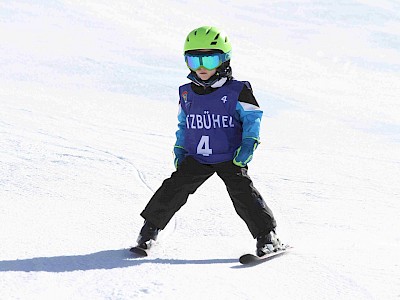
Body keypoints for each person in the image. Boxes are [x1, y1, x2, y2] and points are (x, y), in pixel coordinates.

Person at [133, 26, 282, 257]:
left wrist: (249, 142)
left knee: (243, 194)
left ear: (223, 60)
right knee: (173, 189)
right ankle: (148, 233)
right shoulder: (186, 93)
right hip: (197, 156)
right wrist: (180, 146)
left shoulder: (238, 90)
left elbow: (253, 118)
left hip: (229, 155)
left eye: (210, 60)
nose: (202, 67)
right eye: (194, 60)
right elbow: (184, 123)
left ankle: (267, 238)